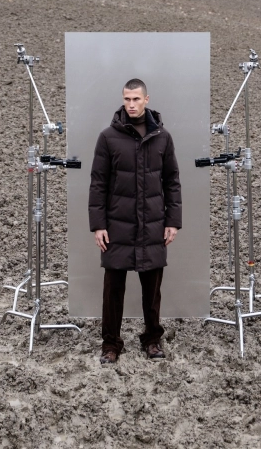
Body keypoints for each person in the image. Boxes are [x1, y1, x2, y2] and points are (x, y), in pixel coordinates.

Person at [88, 78, 182, 364]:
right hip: (117, 226)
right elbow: (98, 184)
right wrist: (98, 225)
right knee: (113, 290)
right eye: (127, 99)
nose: (131, 104)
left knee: (152, 291)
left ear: (146, 100)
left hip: (153, 225)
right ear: (123, 100)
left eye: (136, 99)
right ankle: (111, 344)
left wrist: (172, 221)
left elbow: (172, 181)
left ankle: (152, 340)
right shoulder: (108, 137)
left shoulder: (163, 137)